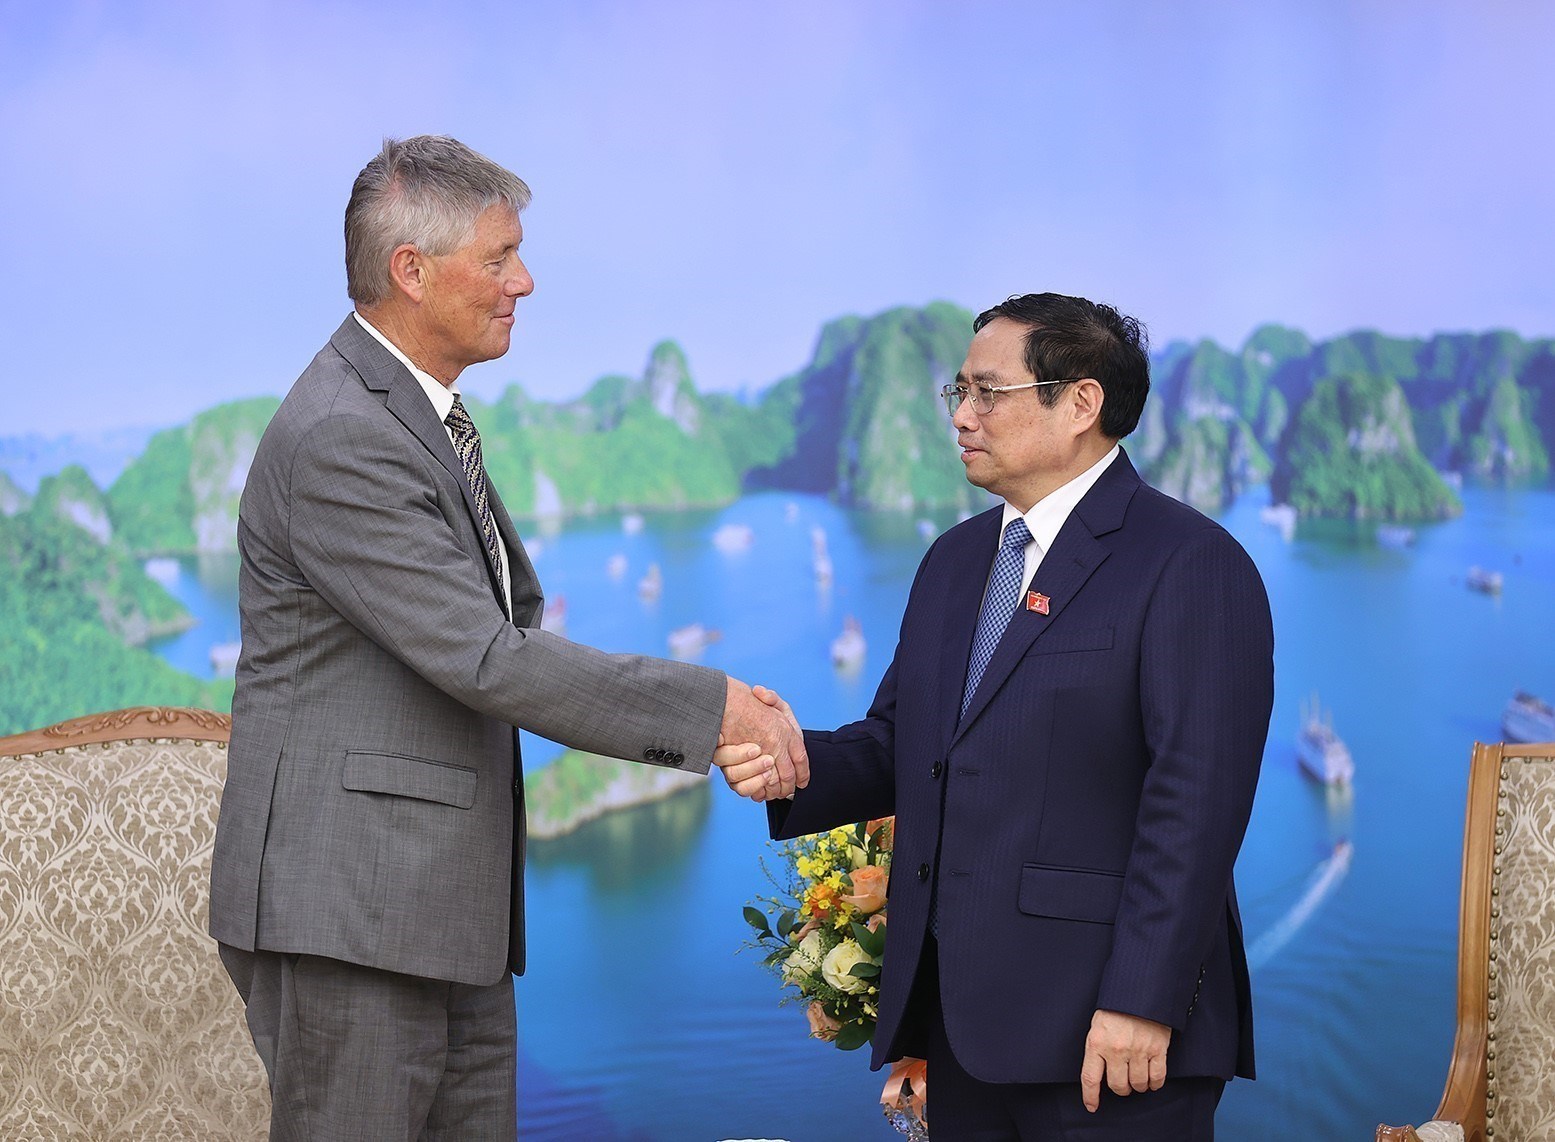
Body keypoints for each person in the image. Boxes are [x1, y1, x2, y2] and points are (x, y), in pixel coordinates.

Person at [208, 134, 803, 1140]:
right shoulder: (343, 435)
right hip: (353, 916)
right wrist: (713, 711)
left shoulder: (418, 416)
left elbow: (497, 638)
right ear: (411, 268)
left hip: (436, 911)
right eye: (497, 257)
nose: (522, 280)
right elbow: (486, 655)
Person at [725, 293, 1274, 1140]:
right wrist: (789, 761)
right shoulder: (954, 561)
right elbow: (907, 744)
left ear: (1080, 403)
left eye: (988, 393)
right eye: (958, 393)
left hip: (1112, 1037)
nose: (962, 416)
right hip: (963, 1028)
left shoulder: (1191, 563)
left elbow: (1195, 805)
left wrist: (1141, 1000)